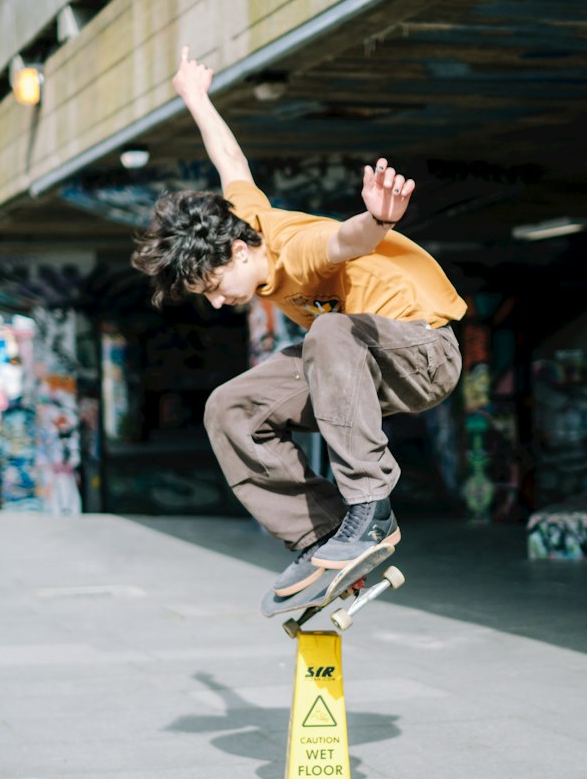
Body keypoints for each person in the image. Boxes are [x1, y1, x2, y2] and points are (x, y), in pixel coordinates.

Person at [132, 49, 466, 616]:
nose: (217, 302)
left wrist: (378, 220)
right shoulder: (246, 220)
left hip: (422, 354)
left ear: (239, 252)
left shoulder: (298, 252)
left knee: (329, 332)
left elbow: (345, 242)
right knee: (230, 407)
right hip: (356, 371)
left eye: (215, 285)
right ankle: (324, 539)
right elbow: (231, 163)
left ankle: (370, 509)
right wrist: (195, 96)